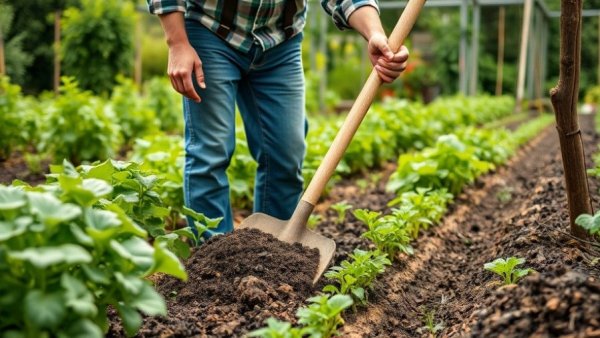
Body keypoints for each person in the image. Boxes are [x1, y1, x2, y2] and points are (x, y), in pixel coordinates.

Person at [148, 0, 409, 239]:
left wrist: (375, 33)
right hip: (210, 31)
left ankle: (268, 258)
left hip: (279, 41)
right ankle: (213, 265)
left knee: (285, 155)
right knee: (211, 152)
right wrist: (177, 41)